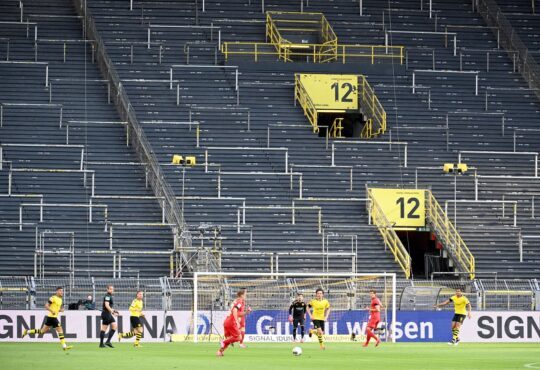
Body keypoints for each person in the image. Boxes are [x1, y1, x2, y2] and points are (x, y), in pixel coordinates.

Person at [22, 287, 73, 351]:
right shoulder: (53, 298)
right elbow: (46, 305)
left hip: (51, 317)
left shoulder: (60, 300)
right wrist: (51, 311)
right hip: (52, 317)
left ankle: (27, 331)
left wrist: (60, 310)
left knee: (42, 331)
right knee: (60, 330)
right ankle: (64, 346)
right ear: (57, 292)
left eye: (62, 291)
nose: (62, 292)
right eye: (60, 291)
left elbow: (56, 309)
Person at [217, 290, 246, 357]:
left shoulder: (236, 301)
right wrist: (236, 321)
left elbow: (238, 313)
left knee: (229, 340)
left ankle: (219, 352)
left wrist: (246, 312)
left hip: (227, 321)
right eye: (245, 294)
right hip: (231, 322)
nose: (245, 296)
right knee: (239, 337)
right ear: (241, 295)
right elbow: (235, 310)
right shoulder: (240, 302)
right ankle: (223, 341)